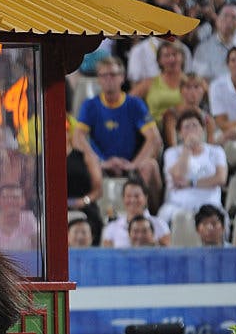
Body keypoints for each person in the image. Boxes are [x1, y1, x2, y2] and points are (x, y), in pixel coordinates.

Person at [73, 57, 164, 211]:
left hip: (131, 163)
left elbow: (154, 138)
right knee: (83, 162)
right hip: (101, 165)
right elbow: (77, 137)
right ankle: (94, 214)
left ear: (122, 77)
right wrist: (99, 161)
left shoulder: (134, 104)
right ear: (98, 80)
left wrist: (133, 164)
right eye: (104, 75)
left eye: (113, 75)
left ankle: (149, 214)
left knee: (150, 166)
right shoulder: (90, 105)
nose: (109, 79)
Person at [157, 111, 227, 223]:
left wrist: (191, 183)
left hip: (210, 204)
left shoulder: (216, 151)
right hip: (178, 205)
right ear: (180, 133)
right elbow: (178, 176)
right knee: (165, 216)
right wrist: (187, 148)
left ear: (202, 130)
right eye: (186, 127)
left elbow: (221, 179)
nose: (191, 130)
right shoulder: (171, 153)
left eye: (195, 125)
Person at [191, 2, 236, 81]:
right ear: (217, 19)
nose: (229, 20)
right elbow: (198, 79)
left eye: (234, 17)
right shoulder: (203, 48)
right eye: (225, 15)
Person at [66, 117, 104, 244]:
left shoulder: (86, 157)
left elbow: (98, 190)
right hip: (55, 208)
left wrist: (84, 201)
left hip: (84, 205)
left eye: (66, 128)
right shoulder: (42, 159)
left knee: (92, 221)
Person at [101, 178, 171, 246]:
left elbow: (168, 251)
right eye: (128, 196)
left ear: (145, 198)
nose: (132, 200)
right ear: (123, 198)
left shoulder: (160, 225)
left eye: (137, 196)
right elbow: (106, 253)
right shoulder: (112, 228)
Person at [130, 40, 185, 124]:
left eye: (175, 54)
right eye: (166, 55)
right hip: (154, 128)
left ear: (182, 57)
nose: (171, 59)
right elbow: (128, 102)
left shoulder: (191, 82)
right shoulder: (150, 83)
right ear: (159, 60)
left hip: (185, 127)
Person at [160, 74, 217, 146]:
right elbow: (172, 146)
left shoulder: (208, 119)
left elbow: (211, 148)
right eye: (188, 87)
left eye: (196, 87)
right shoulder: (171, 115)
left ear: (203, 90)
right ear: (180, 90)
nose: (192, 91)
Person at [0, 183, 38, 251]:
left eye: (15, 197)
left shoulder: (29, 218)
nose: (10, 201)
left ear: (23, 201)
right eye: (5, 198)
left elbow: (38, 249)